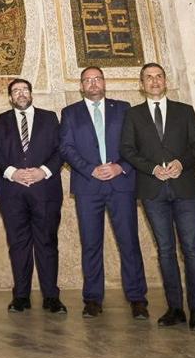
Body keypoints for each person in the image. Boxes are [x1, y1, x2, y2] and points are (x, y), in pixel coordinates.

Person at [120, 63, 195, 330]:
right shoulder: (133, 115)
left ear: (165, 81)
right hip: (153, 190)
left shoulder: (185, 111)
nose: (154, 81)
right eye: (149, 77)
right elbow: (126, 149)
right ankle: (175, 308)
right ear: (141, 84)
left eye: (158, 76)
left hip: (185, 190)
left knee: (191, 249)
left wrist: (182, 162)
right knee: (166, 250)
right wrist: (152, 168)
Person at [59, 66, 148, 320]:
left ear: (104, 82)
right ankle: (93, 299)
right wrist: (91, 170)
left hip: (121, 185)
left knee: (129, 242)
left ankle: (137, 299)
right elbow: (66, 147)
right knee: (91, 244)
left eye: (97, 79)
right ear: (81, 86)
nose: (93, 84)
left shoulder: (123, 108)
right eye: (87, 80)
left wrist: (121, 166)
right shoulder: (70, 113)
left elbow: (135, 145)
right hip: (89, 187)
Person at [0, 78, 66, 314]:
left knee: (47, 243)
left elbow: (60, 150)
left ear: (31, 94)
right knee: (18, 245)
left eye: (25, 90)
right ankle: (21, 296)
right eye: (16, 91)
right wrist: (13, 173)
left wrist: (41, 172)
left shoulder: (49, 117)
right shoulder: (1, 120)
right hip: (13, 193)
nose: (21, 94)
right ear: (10, 97)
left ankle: (51, 297)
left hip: (45, 191)